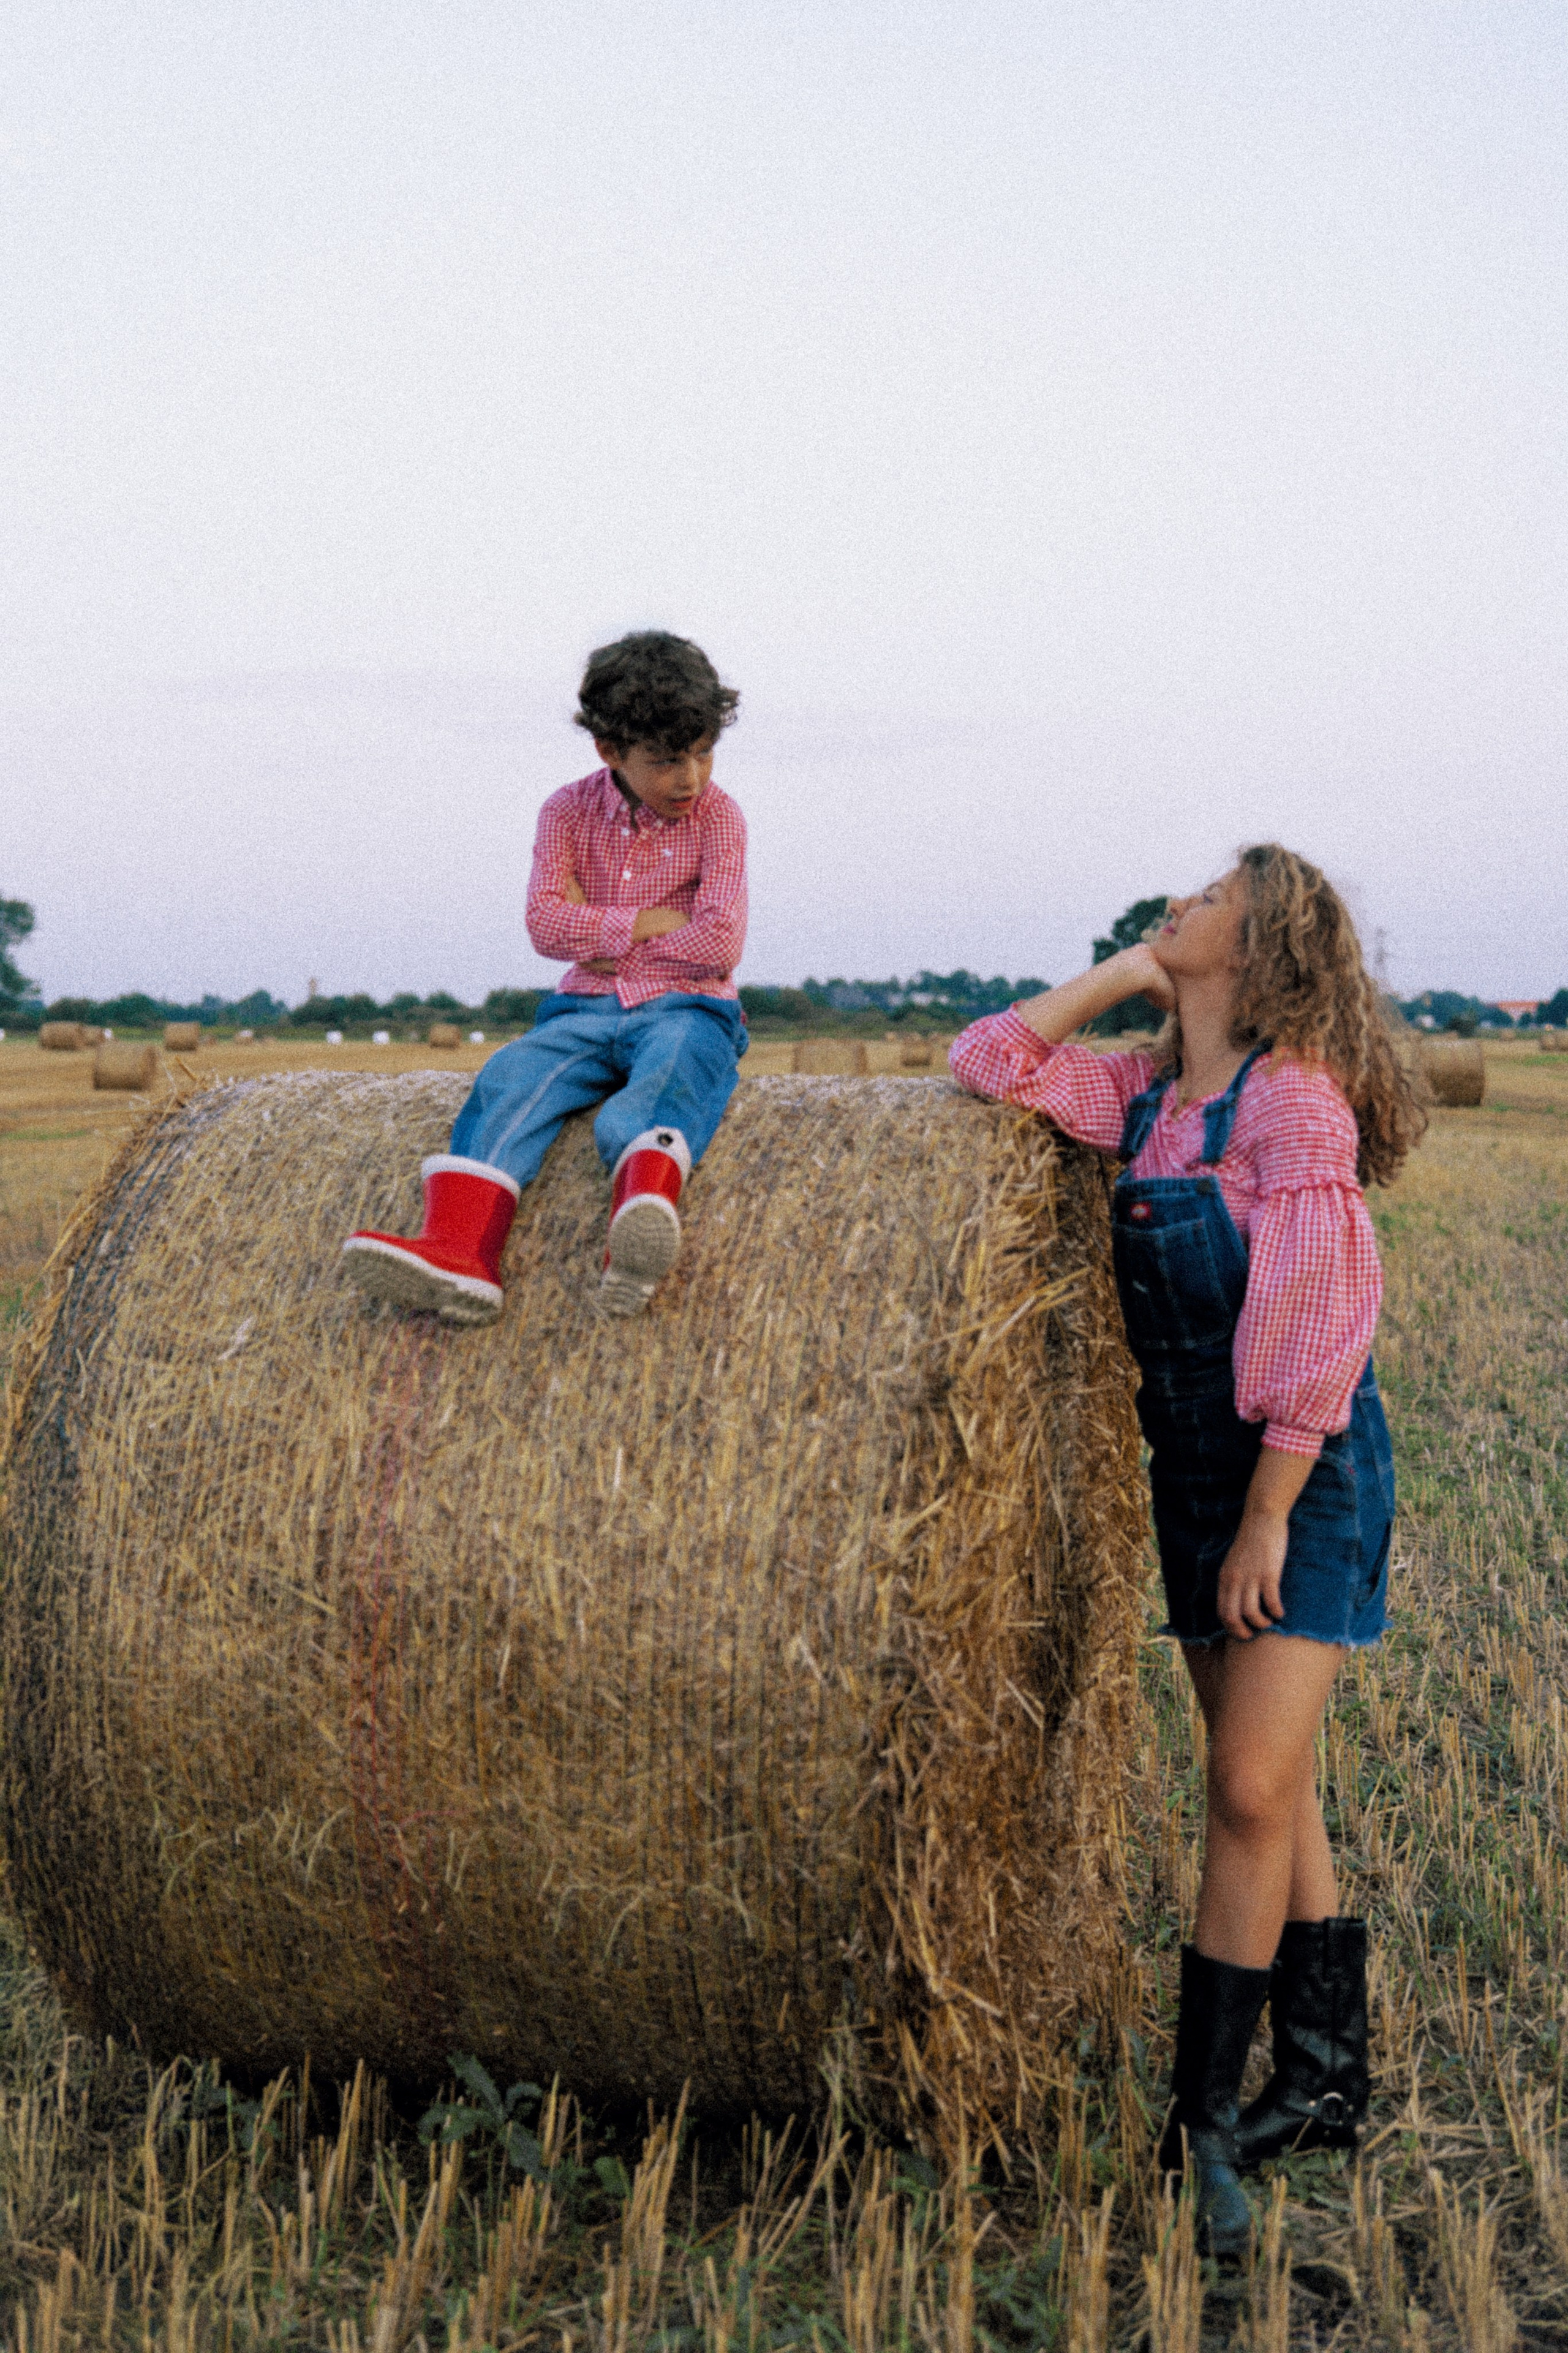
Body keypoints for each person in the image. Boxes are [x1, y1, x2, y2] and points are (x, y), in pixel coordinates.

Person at [949, 845, 1425, 2255]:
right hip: (1196, 1476)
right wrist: (1120, 977)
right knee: (1267, 1795)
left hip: (1299, 1469)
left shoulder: (1289, 1100)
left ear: (1264, 941)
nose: (1181, 897)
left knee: (1237, 1786)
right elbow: (984, 1058)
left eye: (1210, 894)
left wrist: (1269, 1515)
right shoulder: (1148, 1099)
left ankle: (1199, 2123)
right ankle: (1325, 2070)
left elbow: (1315, 1328)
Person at [343, 631, 748, 1323]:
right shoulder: (565, 812)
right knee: (508, 1080)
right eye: (667, 761)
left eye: (704, 752)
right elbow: (545, 927)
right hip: (581, 1011)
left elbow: (719, 940)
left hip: (689, 1005)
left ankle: (640, 1215)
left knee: (672, 1069)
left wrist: (602, 933)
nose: (691, 778)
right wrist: (643, 923)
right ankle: (460, 1254)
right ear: (609, 751)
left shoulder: (720, 819)